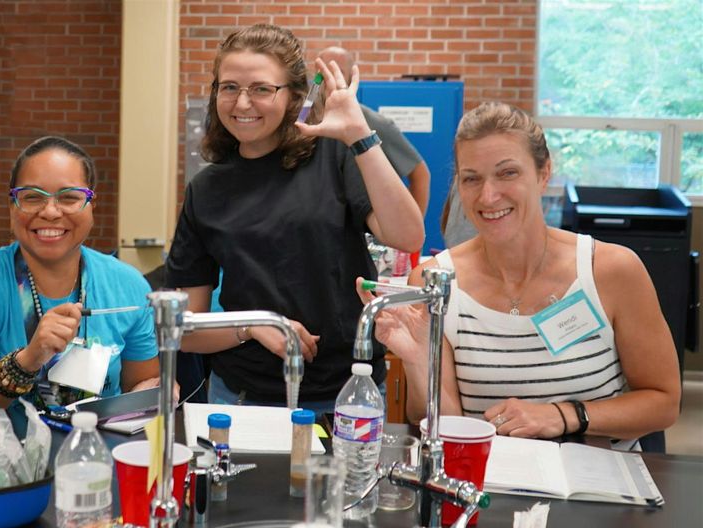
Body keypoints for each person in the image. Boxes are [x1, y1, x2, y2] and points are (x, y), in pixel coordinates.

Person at [363, 102, 679, 449]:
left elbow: (663, 403)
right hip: (488, 477)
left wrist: (564, 415)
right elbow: (441, 424)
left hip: (597, 479)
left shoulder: (611, 271)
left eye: (507, 173)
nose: (488, 196)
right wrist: (418, 362)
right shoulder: (435, 282)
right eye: (472, 179)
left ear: (544, 173)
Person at [165, 24, 424, 411]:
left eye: (261, 89)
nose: (242, 103)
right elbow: (186, 328)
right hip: (242, 398)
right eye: (229, 87)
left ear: (293, 96)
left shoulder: (334, 157)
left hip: (347, 395)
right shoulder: (206, 189)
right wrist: (252, 325)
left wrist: (359, 136)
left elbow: (408, 236)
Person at [0, 136, 160, 433]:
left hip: (100, 451)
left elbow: (142, 386)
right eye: (32, 197)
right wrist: (27, 361)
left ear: (91, 205)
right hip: (7, 457)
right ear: (12, 206)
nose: (51, 212)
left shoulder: (127, 286)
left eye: (69, 197)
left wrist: (155, 393)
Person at [317, 46, 431, 216]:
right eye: (322, 72)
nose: (328, 78)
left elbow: (420, 174)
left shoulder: (371, 122)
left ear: (350, 79)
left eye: (337, 72)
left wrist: (412, 226)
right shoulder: (305, 118)